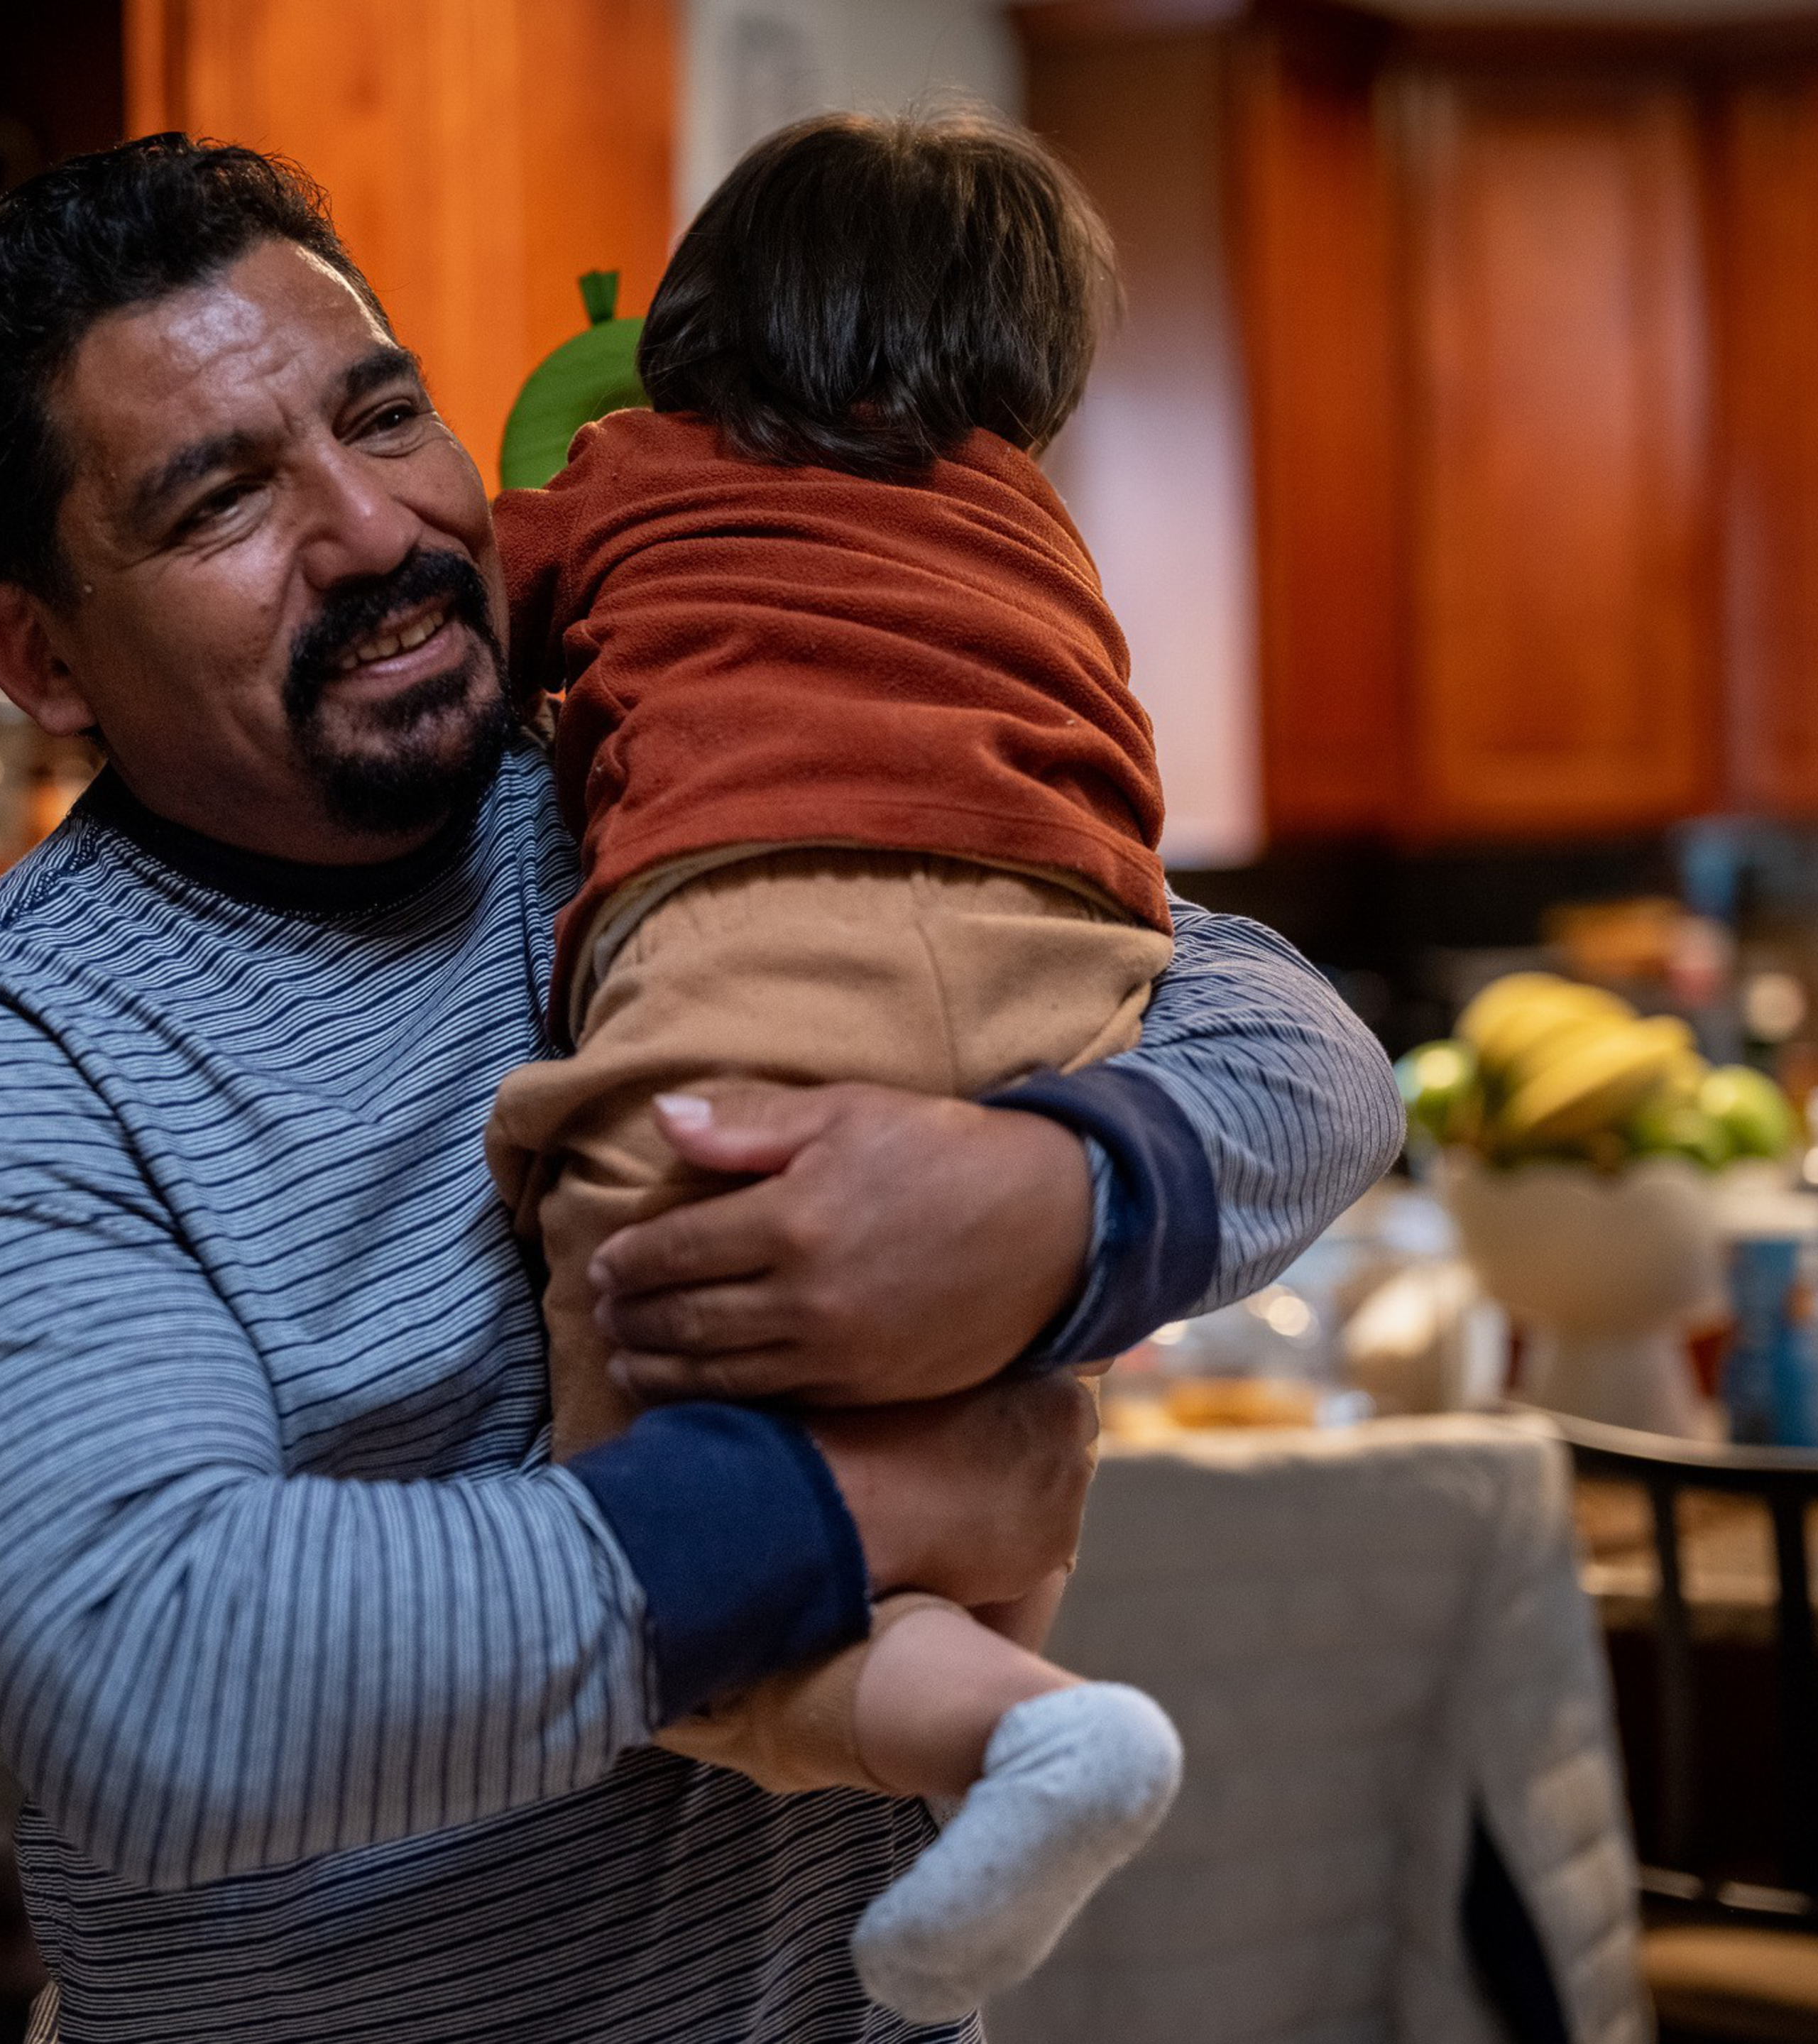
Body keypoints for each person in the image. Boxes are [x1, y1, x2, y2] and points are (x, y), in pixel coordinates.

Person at [0, 133, 1403, 2044]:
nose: (376, 528)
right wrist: (838, 1498)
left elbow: (1301, 1052)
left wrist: (1055, 1200)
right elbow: (170, 1694)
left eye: (384, 417)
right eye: (220, 498)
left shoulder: (659, 759)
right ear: (36, 652)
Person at [486, 110, 1176, 2018]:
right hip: (1059, 980)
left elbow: (465, 632)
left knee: (652, 1589)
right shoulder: (1032, 523)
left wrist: (540, 519)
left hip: (772, 955)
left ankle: (990, 1740)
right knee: (1011, 1395)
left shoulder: (643, 466)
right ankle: (1012, 1711)